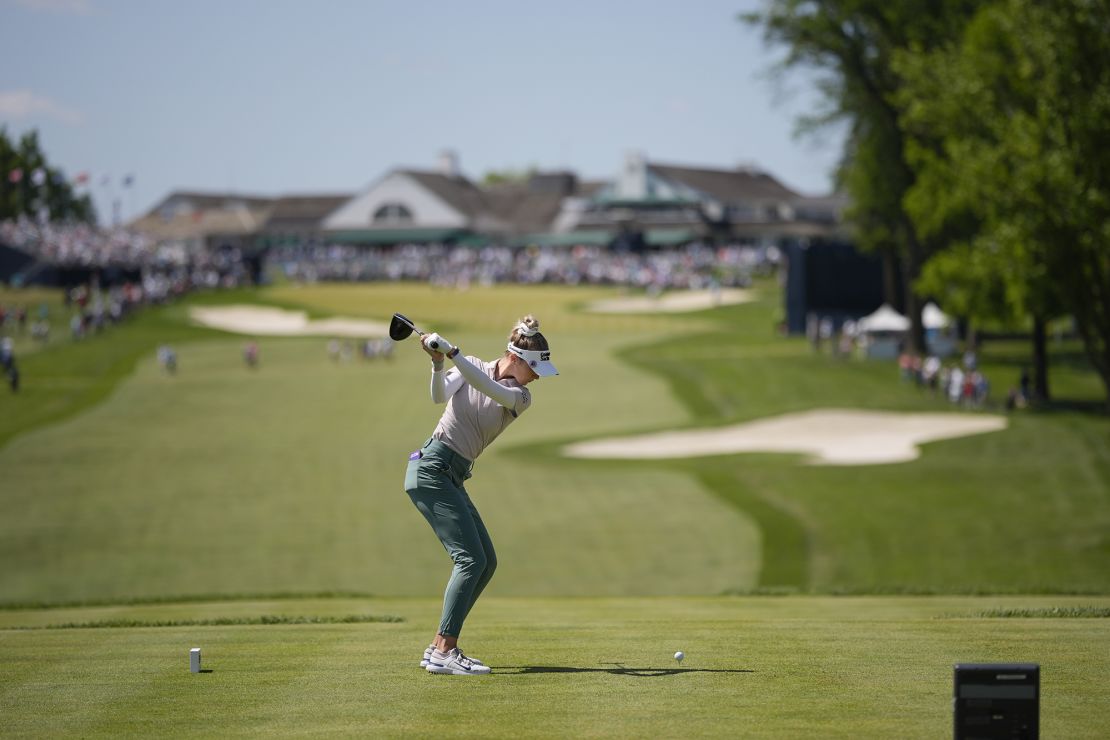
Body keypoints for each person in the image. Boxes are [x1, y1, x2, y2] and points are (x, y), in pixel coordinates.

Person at [404, 314, 557, 676]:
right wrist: (438, 362)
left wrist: (452, 353)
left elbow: (492, 391)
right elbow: (438, 395)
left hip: (452, 475)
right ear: (516, 358)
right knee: (470, 560)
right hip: (432, 468)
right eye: (534, 368)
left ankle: (439, 647)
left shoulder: (521, 396)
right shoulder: (471, 364)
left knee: (486, 561)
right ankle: (444, 650)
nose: (537, 377)